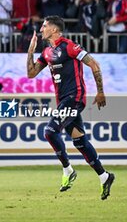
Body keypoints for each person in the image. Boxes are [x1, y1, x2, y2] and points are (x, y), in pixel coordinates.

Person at [26, 15, 115, 200]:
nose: (41, 29)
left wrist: (100, 92)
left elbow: (94, 64)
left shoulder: (70, 46)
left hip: (75, 98)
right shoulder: (47, 52)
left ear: (54, 29)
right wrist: (31, 50)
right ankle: (104, 176)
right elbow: (31, 73)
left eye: (44, 26)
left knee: (50, 131)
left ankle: (68, 170)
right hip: (63, 101)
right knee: (80, 141)